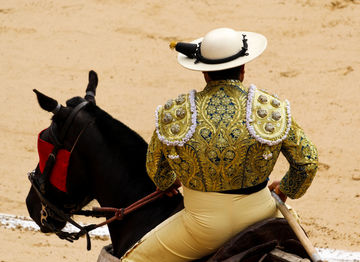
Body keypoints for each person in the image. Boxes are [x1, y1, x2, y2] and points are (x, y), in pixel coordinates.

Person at [121, 27, 318, 262]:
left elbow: (156, 169)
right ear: (243, 69)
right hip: (261, 214)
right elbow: (307, 162)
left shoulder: (175, 112)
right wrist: (286, 189)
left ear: (204, 72)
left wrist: (168, 182)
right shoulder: (269, 108)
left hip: (202, 226)